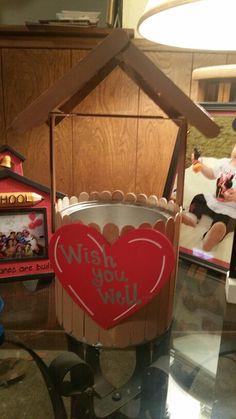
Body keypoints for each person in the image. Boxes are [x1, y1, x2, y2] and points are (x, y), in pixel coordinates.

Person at [182, 143, 236, 252]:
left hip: (230, 209)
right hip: (215, 201)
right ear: (233, 147)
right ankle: (192, 217)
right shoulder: (224, 163)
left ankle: (211, 237)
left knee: (224, 221)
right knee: (199, 197)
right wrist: (200, 166)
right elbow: (211, 174)